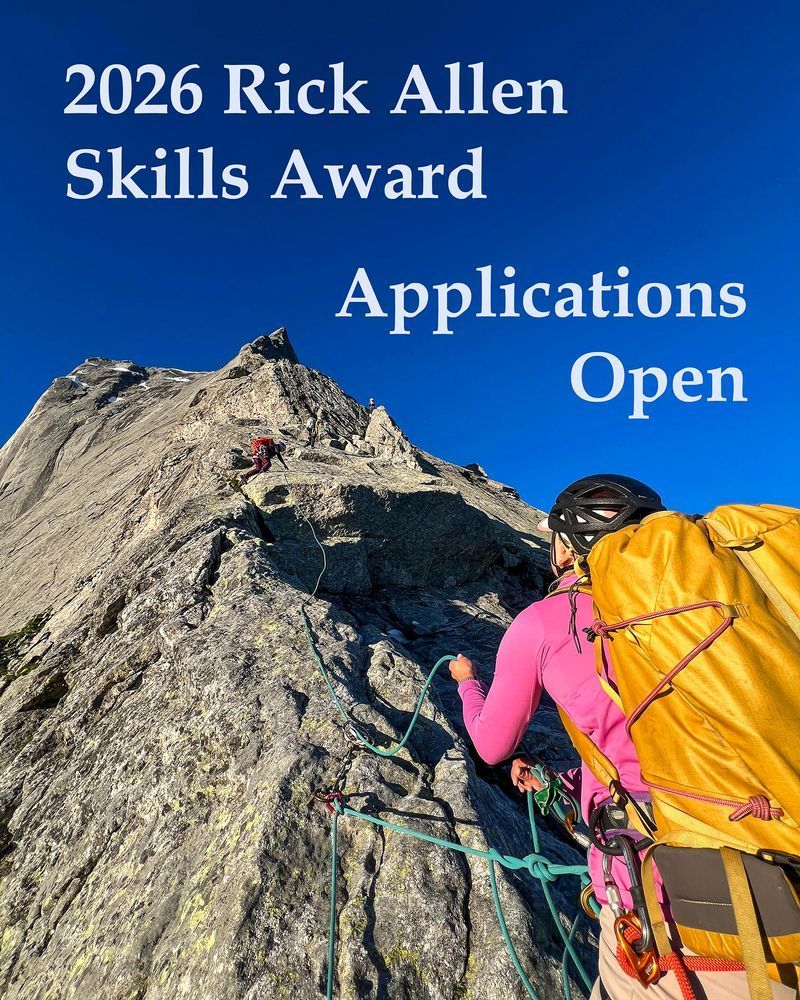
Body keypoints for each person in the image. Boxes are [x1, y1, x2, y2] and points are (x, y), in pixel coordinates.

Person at [449, 474, 796, 1000]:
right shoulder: (711, 600)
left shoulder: (544, 624)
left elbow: (491, 744)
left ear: (566, 546)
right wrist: (566, 777)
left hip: (686, 917)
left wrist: (467, 683)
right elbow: (683, 740)